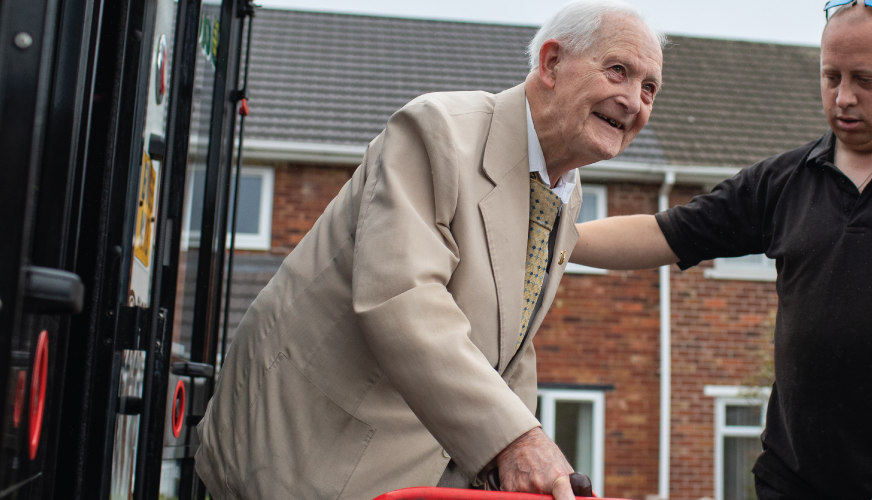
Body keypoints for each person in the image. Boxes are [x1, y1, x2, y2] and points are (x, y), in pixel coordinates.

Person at [571, 1, 872, 499]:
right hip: (793, 483)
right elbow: (662, 233)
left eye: (865, 80)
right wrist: (552, 236)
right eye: (831, 77)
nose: (843, 97)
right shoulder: (783, 180)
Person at [194, 1, 664, 499]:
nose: (634, 100)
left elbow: (510, 349)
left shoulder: (564, 191)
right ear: (551, 64)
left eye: (649, 88)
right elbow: (401, 297)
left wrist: (530, 459)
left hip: (406, 465)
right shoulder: (437, 130)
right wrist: (514, 441)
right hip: (305, 450)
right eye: (619, 71)